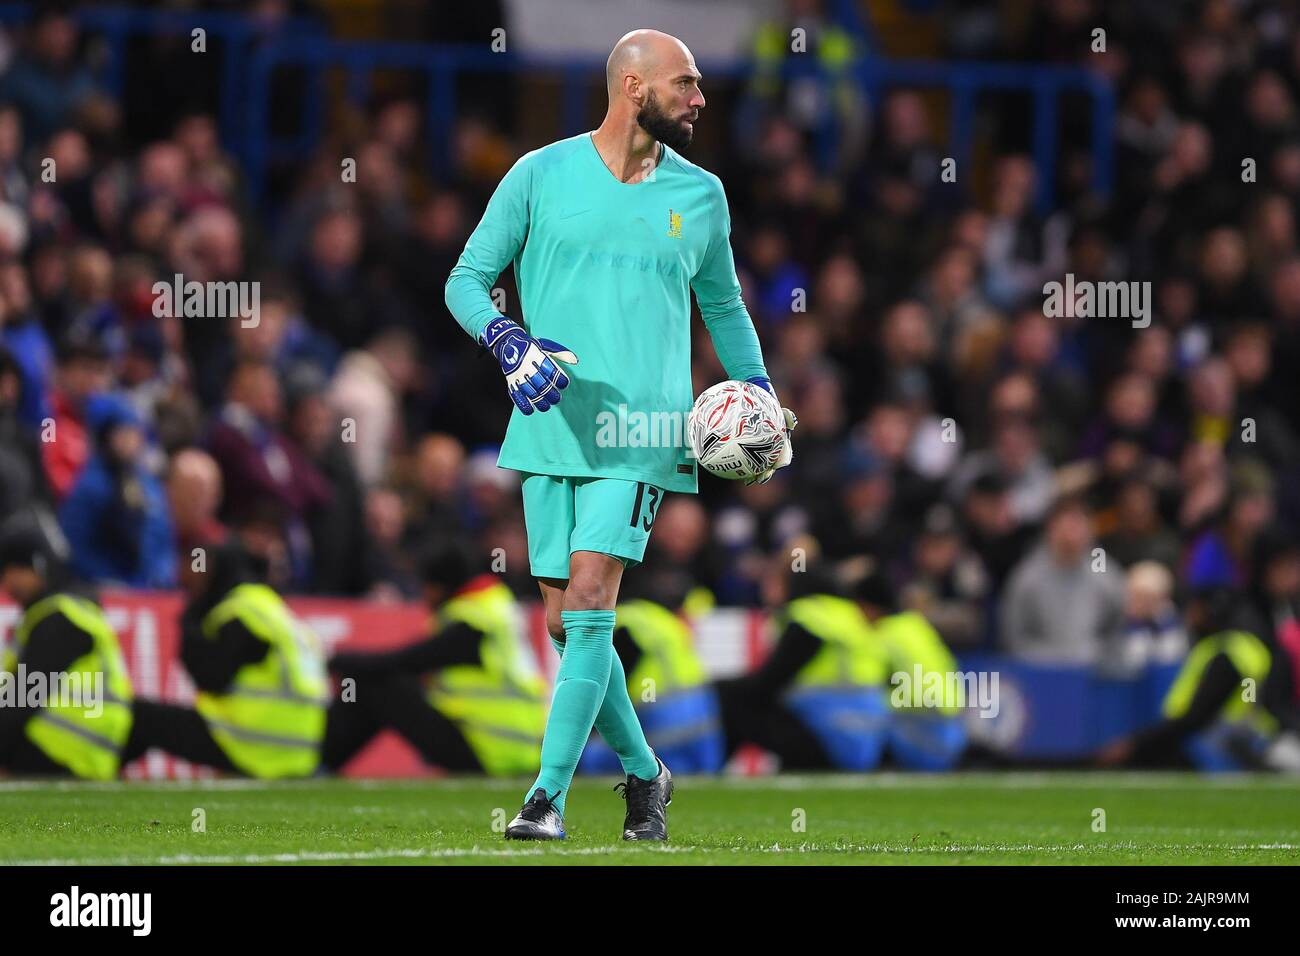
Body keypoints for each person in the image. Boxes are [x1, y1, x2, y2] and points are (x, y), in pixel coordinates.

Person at [445, 29, 796, 840]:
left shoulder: (702, 196)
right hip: (546, 421)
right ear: (634, 89)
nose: (700, 99)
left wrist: (764, 397)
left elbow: (723, 307)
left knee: (594, 595)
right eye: (687, 84)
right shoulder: (539, 175)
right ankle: (646, 774)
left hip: (644, 429)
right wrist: (507, 342)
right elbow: (466, 280)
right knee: (568, 624)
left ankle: (545, 799)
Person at [323, 541, 546, 776]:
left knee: (373, 684)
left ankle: (323, 762)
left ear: (440, 586)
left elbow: (403, 660)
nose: (424, 595)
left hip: (490, 750)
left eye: (425, 586)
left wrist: (335, 659)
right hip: (518, 748)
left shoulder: (472, 621)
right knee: (385, 680)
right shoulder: (495, 605)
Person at [1095, 586, 1300, 771]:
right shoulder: (1249, 647)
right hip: (1255, 740)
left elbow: (1194, 718)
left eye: (1194, 609)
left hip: (1228, 748)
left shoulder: (1227, 654)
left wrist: (1134, 747)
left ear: (1206, 611)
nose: (1190, 615)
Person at [176, 539, 328, 778]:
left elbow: (210, 678)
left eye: (201, 567)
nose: (189, 575)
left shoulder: (239, 615)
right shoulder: (270, 606)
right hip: (300, 748)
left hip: (252, 743)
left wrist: (190, 619)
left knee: (142, 717)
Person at [715, 562, 887, 771]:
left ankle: (709, 772)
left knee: (732, 699)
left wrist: (716, 686)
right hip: (864, 745)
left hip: (831, 744)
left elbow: (766, 683)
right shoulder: (851, 617)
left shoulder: (811, 617)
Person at [0, 518, 133, 779]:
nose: (6, 584)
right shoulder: (70, 612)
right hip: (85, 751)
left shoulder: (59, 619)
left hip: (60, 749)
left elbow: (21, 699)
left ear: (36, 565)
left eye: (9, 570)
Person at [577, 574, 724, 775]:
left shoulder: (623, 624)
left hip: (662, 741)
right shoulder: (662, 621)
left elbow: (605, 694)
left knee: (589, 755)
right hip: (705, 746)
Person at [853, 569, 968, 771]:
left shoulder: (885, 634)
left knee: (861, 706)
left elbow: (865, 681)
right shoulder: (916, 626)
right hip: (953, 731)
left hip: (923, 727)